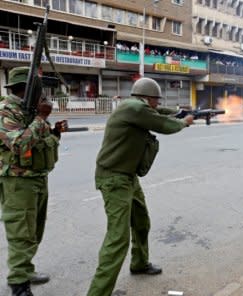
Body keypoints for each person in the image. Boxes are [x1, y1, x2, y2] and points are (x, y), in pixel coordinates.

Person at [87, 77, 194, 296]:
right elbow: (163, 124)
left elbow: (159, 112)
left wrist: (179, 111)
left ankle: (139, 263)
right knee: (118, 238)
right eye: (156, 100)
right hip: (114, 179)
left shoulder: (136, 107)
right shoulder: (135, 109)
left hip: (127, 177)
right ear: (148, 98)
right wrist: (184, 121)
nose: (157, 104)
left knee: (141, 221)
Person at [0, 66, 67, 296]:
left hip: (37, 178)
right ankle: (18, 285)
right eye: (39, 89)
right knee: (21, 232)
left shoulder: (28, 110)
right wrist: (41, 117)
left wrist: (54, 132)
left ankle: (25, 270)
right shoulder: (6, 111)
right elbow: (19, 145)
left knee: (35, 231)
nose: (43, 94)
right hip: (18, 182)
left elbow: (39, 139)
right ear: (26, 89)